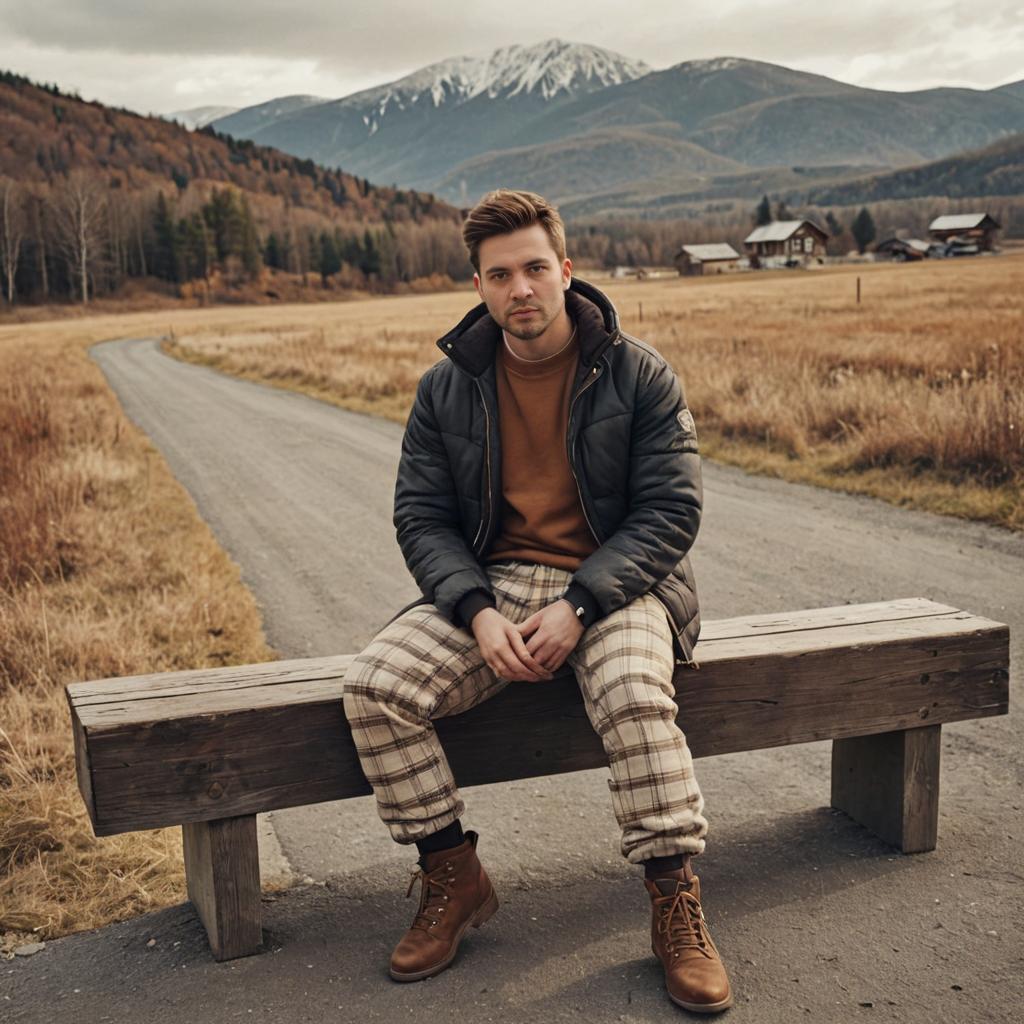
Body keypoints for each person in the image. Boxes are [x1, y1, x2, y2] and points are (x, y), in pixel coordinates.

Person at [342, 188, 732, 1013]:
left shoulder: (640, 373)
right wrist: (477, 611)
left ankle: (675, 901)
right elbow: (422, 518)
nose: (519, 288)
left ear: (566, 270)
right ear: (479, 286)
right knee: (375, 688)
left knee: (632, 692)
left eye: (533, 269)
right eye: (498, 275)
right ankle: (454, 875)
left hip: (619, 581)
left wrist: (581, 606)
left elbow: (672, 512)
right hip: (498, 582)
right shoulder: (445, 389)